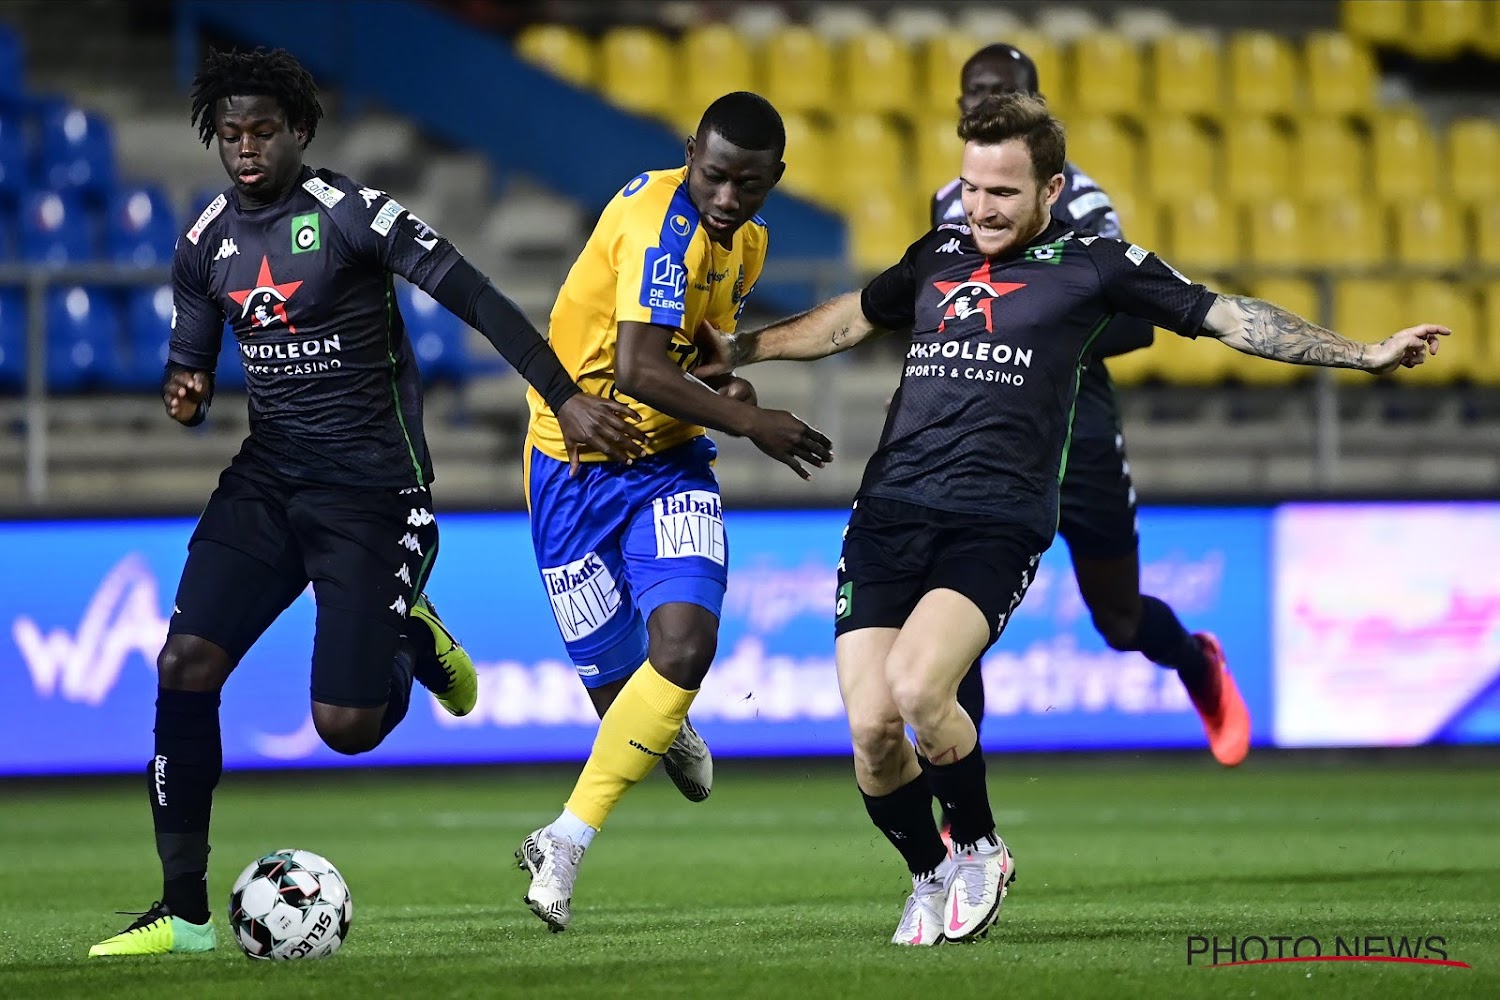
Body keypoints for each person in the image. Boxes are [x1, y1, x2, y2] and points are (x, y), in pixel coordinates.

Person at [696, 92, 1446, 946]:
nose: (980, 208)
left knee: (917, 688)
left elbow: (1231, 316)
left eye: (1004, 193)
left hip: (995, 518)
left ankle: (979, 846)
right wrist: (741, 349)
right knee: (870, 732)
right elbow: (847, 321)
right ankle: (929, 874)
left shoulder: (1097, 265)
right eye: (972, 188)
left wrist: (1362, 353)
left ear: (1050, 190)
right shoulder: (935, 254)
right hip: (888, 511)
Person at [89, 47, 645, 958]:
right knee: (183, 664)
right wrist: (182, 392)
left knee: (344, 728)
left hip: (374, 497)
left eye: (263, 130)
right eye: (230, 134)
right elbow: (187, 367)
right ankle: (183, 913)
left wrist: (562, 394)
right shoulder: (204, 244)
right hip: (268, 483)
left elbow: (476, 297)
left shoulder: (351, 215)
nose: (246, 149)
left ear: (299, 130)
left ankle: (412, 636)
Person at [515, 91, 832, 933]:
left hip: (669, 465)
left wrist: (732, 391)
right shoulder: (665, 228)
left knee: (685, 645)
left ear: (775, 180)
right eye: (717, 176)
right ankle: (669, 720)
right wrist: (754, 419)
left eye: (750, 185)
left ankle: (564, 841)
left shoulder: (745, 242)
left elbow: (695, 359)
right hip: (571, 469)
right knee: (625, 703)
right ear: (691, 152)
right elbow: (640, 370)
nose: (729, 198)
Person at [932, 43, 1247, 771]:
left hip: (1077, 425)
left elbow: (1133, 319)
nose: (984, 104)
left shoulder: (1081, 205)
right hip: (985, 431)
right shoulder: (951, 205)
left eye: (1002, 92)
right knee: (950, 618)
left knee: (1119, 617)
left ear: (1038, 111)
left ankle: (1196, 662)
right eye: (973, 94)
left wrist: (1036, 334)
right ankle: (960, 815)